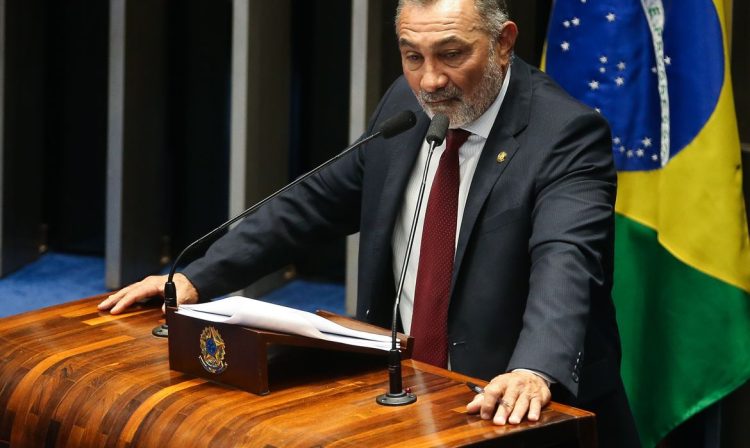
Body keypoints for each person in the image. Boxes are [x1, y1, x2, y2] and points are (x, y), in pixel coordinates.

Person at [99, 0, 640, 445]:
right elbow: (312, 203)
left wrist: (534, 369)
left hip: (508, 406)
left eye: (451, 54)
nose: (429, 81)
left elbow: (566, 263)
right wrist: (199, 276)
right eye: (412, 55)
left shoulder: (565, 134)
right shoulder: (405, 105)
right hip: (399, 396)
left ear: (502, 42)